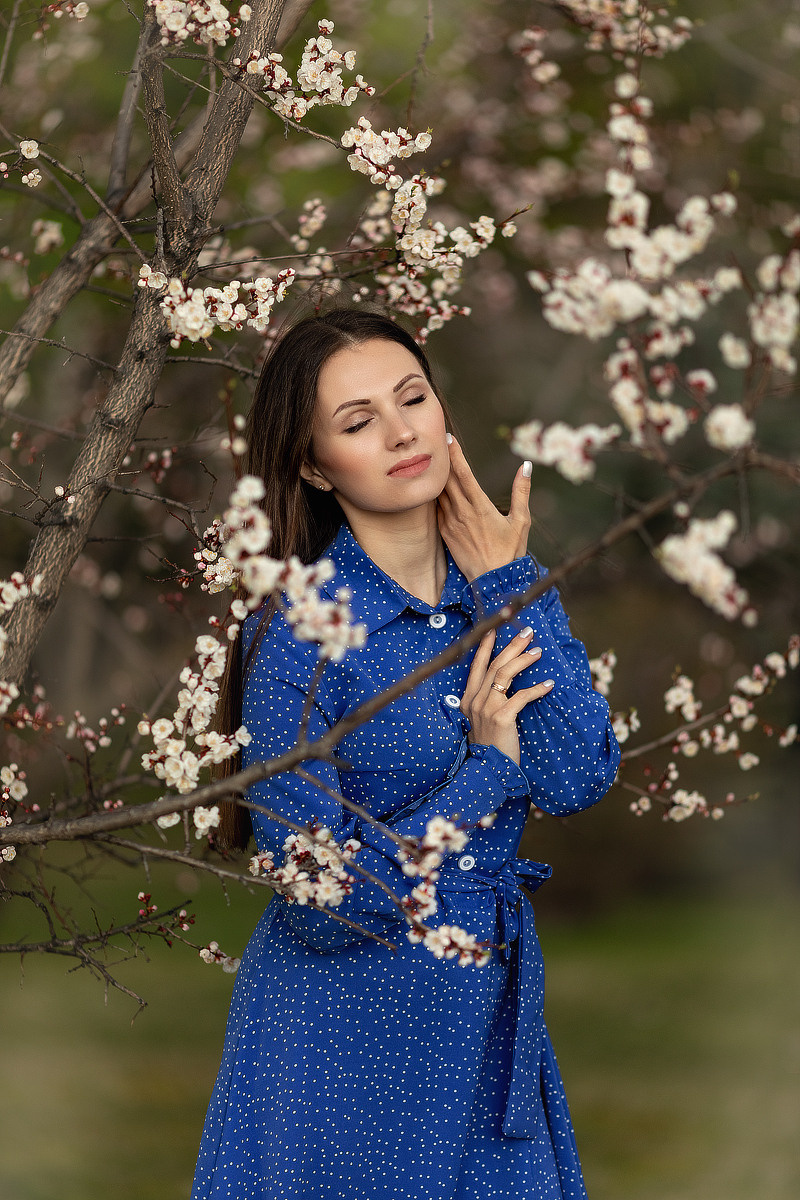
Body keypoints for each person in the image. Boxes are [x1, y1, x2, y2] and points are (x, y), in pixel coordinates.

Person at [191, 308, 621, 1200]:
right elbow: (319, 904)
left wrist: (510, 585)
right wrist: (486, 774)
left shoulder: (494, 595)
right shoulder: (300, 634)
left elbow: (579, 776)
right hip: (341, 1048)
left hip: (484, 1026)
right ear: (314, 464)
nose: (399, 433)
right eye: (357, 422)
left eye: (412, 398)